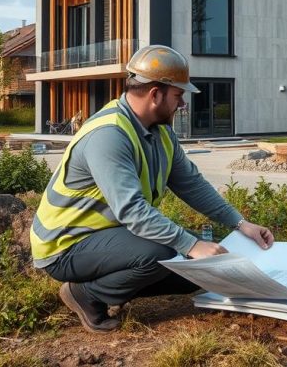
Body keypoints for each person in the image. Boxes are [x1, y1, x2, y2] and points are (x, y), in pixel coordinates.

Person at [29, 44, 274, 332]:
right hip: (66, 245)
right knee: (165, 251)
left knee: (199, 269)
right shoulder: (109, 135)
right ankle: (87, 294)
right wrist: (191, 244)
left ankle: (111, 284)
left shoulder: (161, 133)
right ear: (155, 94)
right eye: (178, 95)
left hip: (109, 236)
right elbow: (133, 211)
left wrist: (240, 223)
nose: (182, 104)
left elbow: (191, 185)